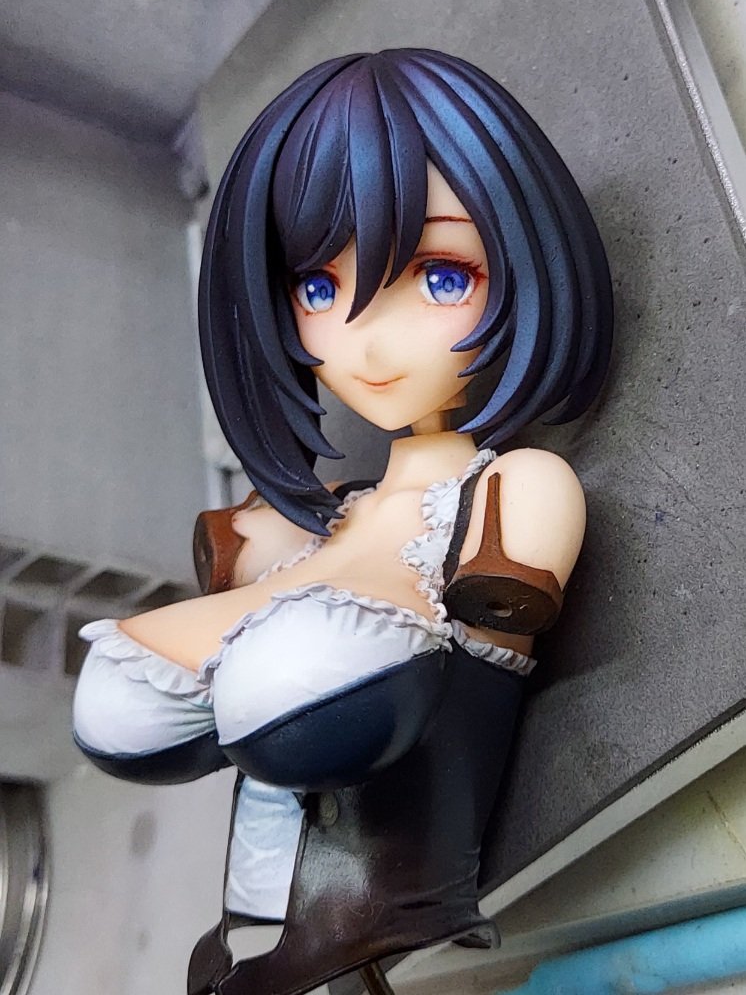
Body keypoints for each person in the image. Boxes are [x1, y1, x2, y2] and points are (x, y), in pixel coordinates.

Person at [72, 49, 613, 992]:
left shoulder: (514, 491)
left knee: (297, 664)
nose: (365, 342)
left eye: (441, 275)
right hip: (252, 936)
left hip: (387, 907)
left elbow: (464, 624)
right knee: (132, 688)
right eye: (318, 290)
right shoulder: (308, 524)